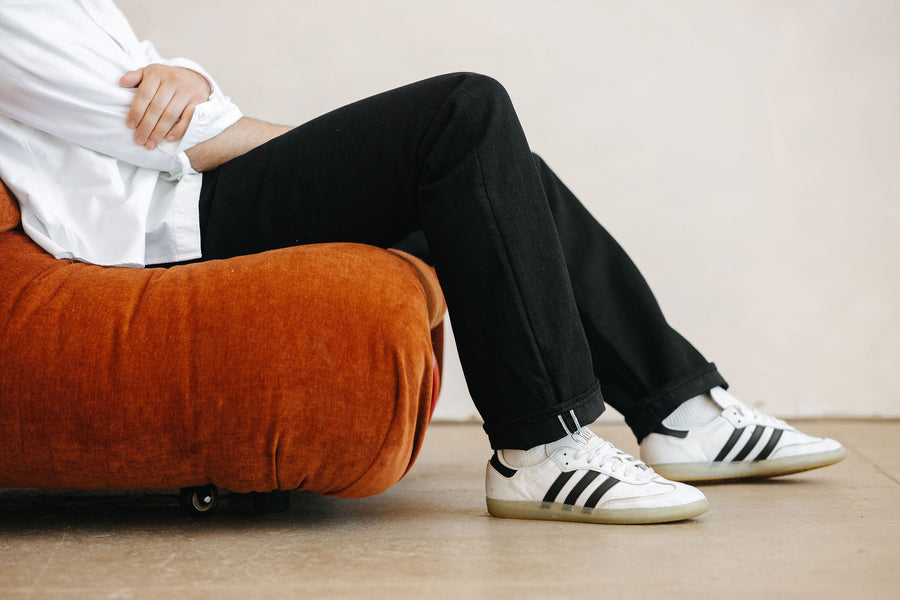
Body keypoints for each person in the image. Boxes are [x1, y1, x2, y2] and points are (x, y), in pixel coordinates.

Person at [0, 1, 845, 525]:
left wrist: (187, 70)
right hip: (162, 226)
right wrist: (364, 162)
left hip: (185, 199)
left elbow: (153, 82)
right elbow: (173, 132)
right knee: (462, 119)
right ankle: (541, 449)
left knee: (483, 159)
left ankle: (679, 410)